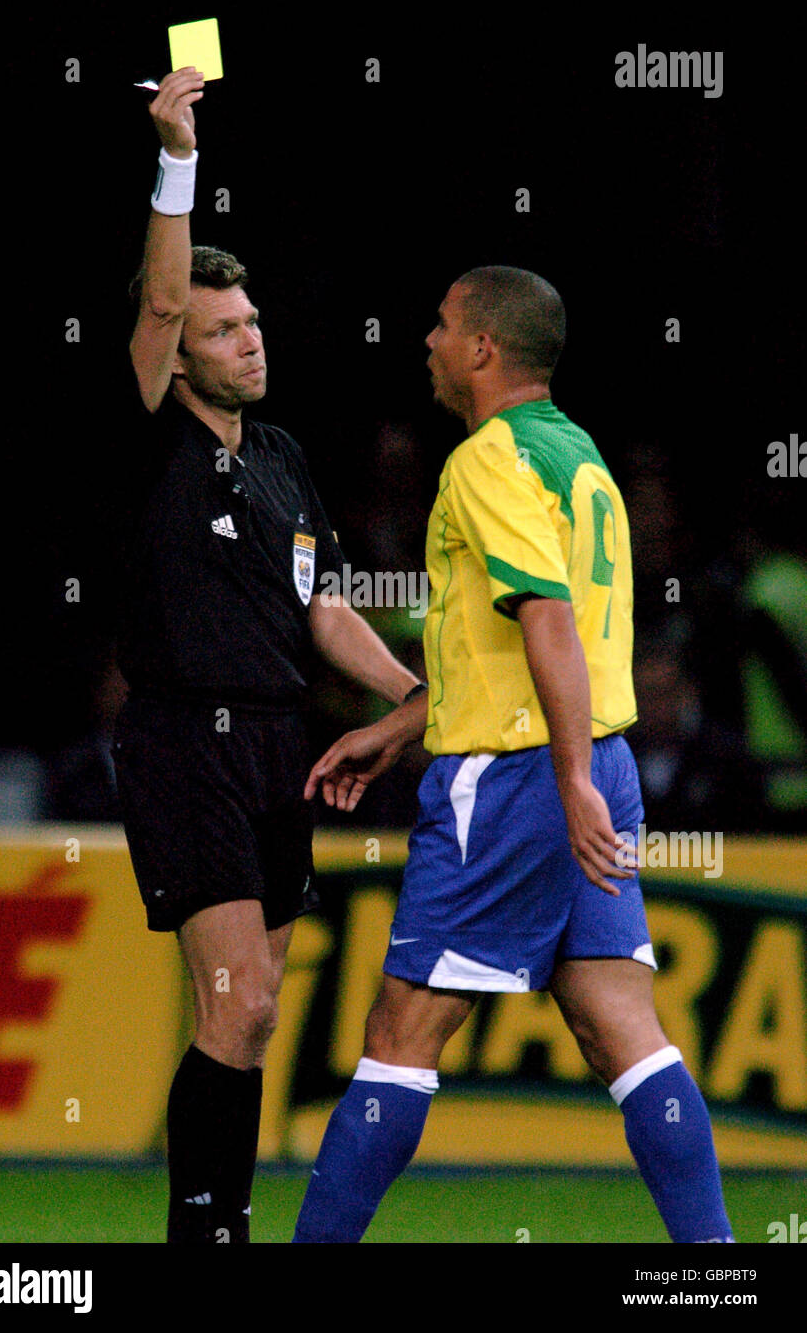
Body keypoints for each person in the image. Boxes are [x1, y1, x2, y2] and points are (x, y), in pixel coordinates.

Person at [293, 266, 734, 1244]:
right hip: (597, 762)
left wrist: (563, 778)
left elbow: (544, 619)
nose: (428, 340)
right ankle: (715, 1267)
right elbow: (516, 642)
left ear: (483, 348)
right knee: (619, 1024)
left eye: (442, 325)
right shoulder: (576, 454)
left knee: (398, 1034)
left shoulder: (486, 458)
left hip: (518, 776)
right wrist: (403, 721)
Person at [113, 67, 427, 1244]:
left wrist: (410, 693)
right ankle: (205, 1230)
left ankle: (219, 1221)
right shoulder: (147, 436)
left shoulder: (284, 451)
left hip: (282, 743)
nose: (249, 342)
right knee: (238, 1006)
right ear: (178, 353)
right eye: (222, 331)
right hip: (187, 735)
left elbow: (322, 603)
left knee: (252, 1013)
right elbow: (151, 308)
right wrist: (177, 158)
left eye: (251, 324)